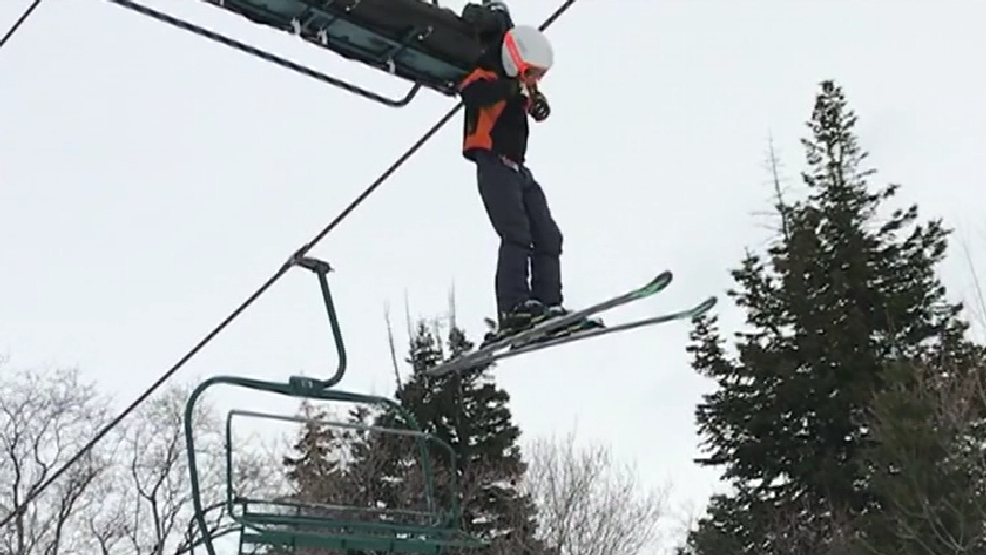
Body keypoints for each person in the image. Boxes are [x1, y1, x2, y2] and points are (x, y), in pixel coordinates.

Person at [458, 24, 604, 343]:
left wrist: (536, 103)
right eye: (532, 73)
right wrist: (513, 89)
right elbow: (471, 92)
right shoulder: (487, 74)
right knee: (516, 233)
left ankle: (548, 304)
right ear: (514, 62)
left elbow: (535, 107)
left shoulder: (519, 87)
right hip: (493, 164)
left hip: (519, 170)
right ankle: (514, 309)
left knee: (548, 236)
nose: (535, 80)